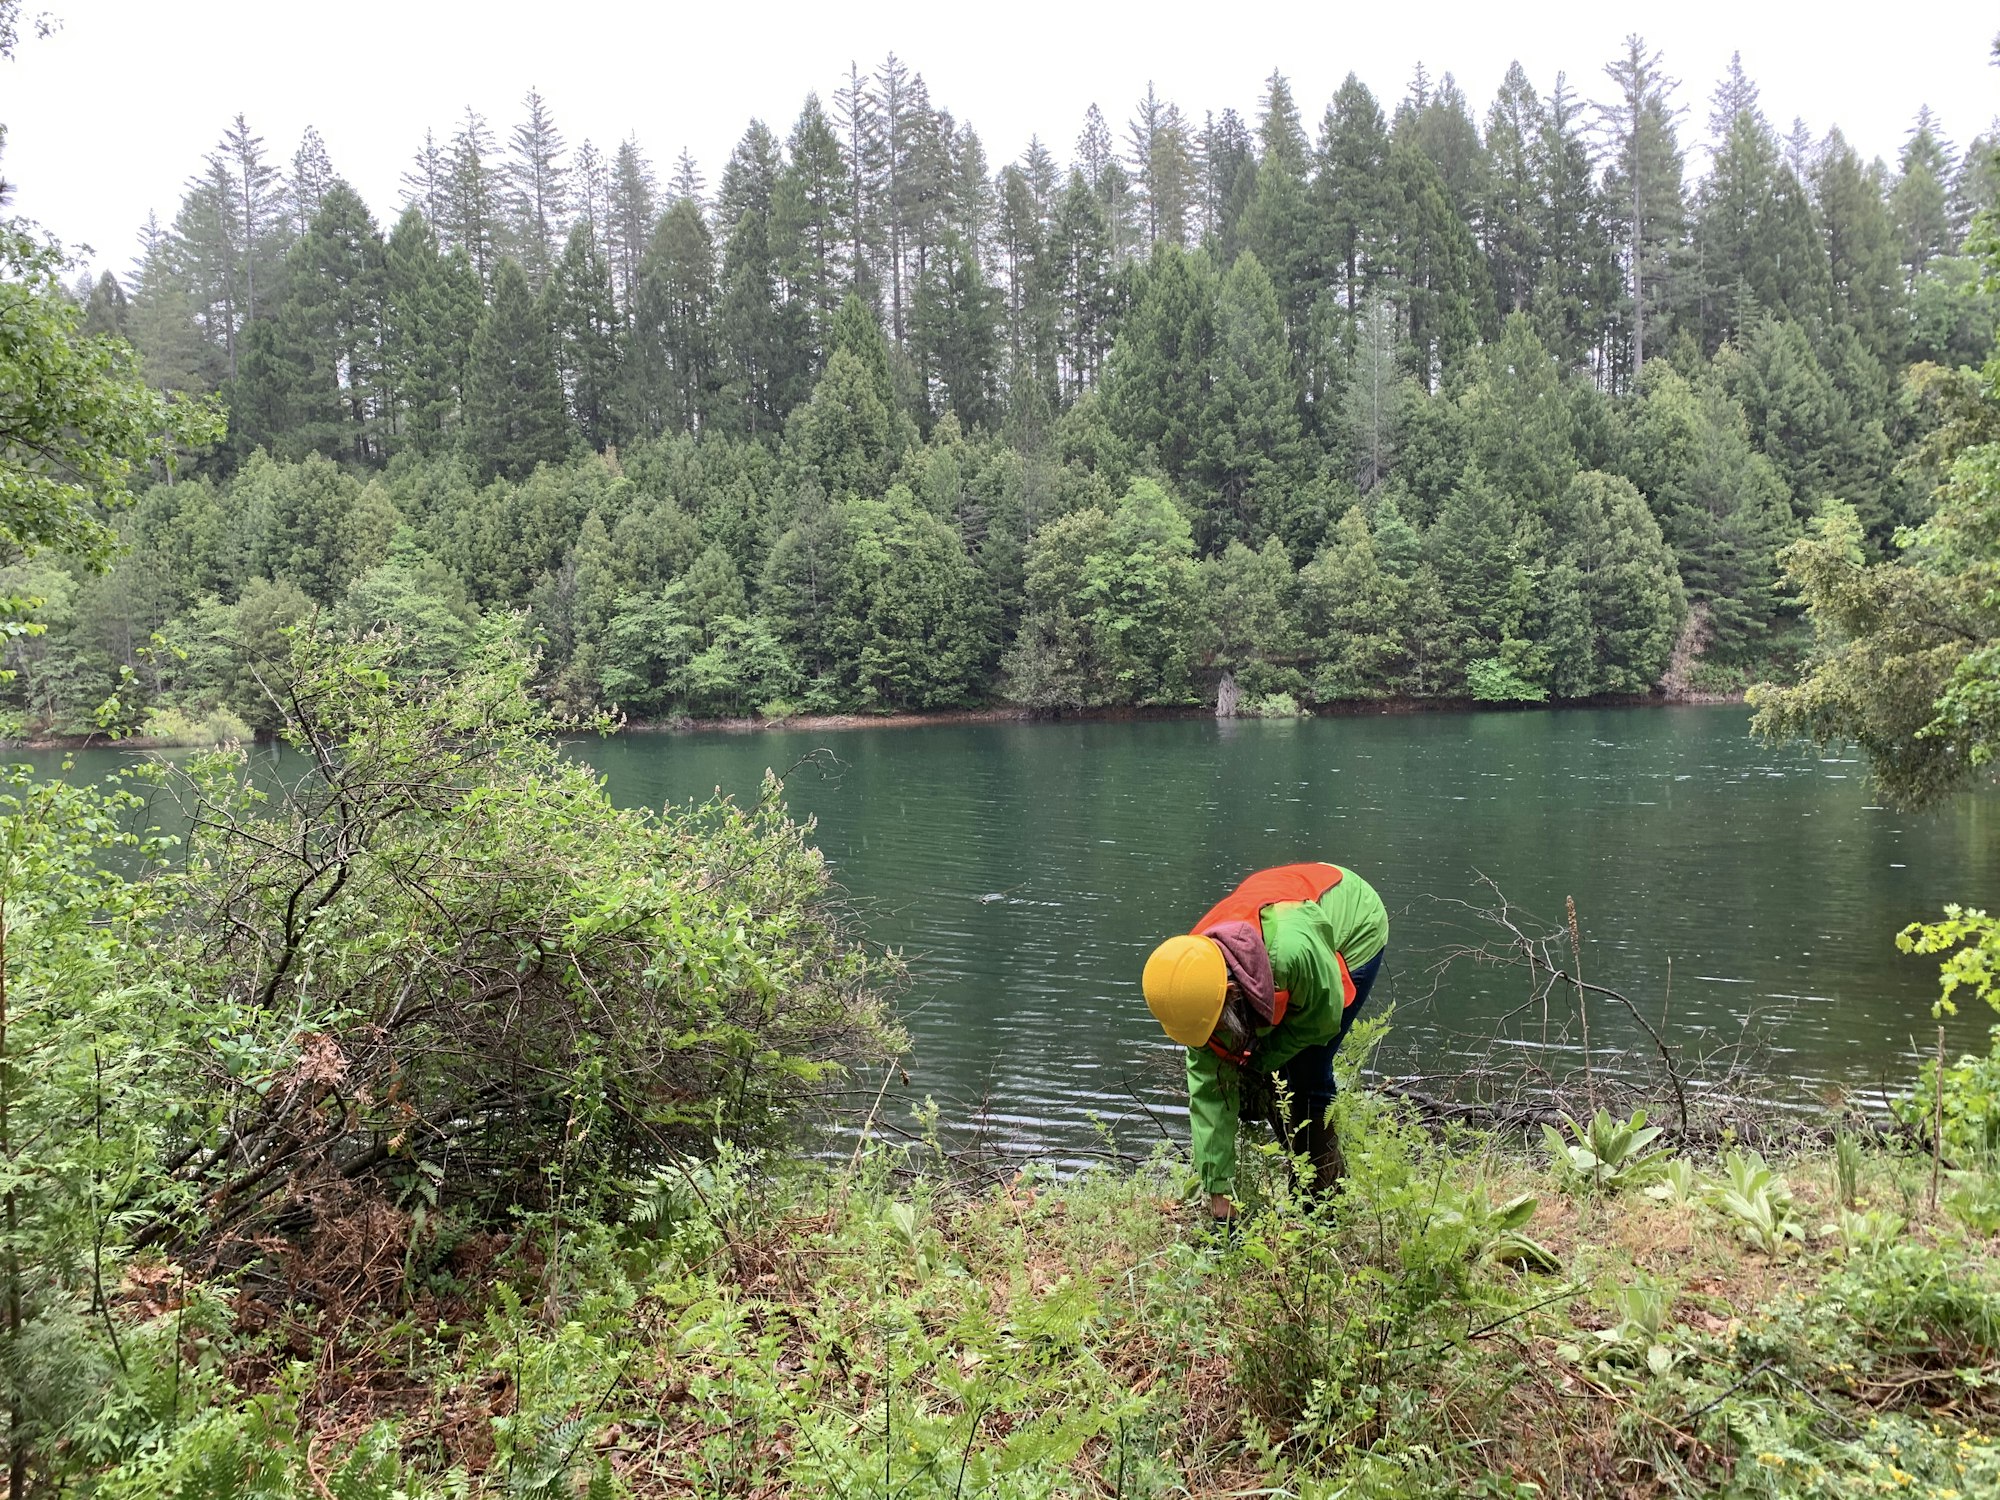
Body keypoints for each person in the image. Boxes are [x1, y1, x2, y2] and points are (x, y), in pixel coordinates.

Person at [1141, 862, 1388, 1221]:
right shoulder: (1188, 980)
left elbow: (1321, 1021)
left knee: (1305, 1072)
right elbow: (1210, 1093)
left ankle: (1322, 1205)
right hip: (1277, 933)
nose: (1207, 1041)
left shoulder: (1293, 950)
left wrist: (1261, 1060)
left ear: (1228, 993)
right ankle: (1297, 1164)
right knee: (1241, 1075)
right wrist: (1218, 1194)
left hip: (1353, 921)